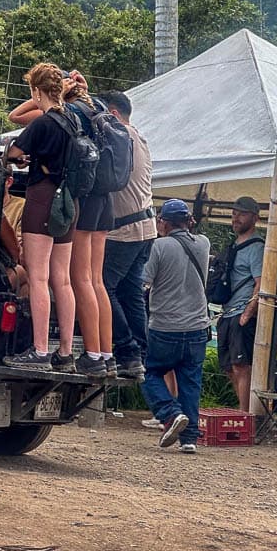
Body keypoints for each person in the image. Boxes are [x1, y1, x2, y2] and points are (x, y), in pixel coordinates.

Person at [2, 62, 77, 372]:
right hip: (68, 203)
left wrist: (22, 159)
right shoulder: (72, 120)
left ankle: (40, 350)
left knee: (38, 276)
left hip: (43, 198)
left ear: (35, 91)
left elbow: (12, 153)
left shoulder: (43, 123)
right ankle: (65, 352)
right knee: (63, 279)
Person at [140, 199, 210, 454]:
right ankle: (189, 438)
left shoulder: (159, 246)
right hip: (197, 327)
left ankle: (169, 414)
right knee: (190, 382)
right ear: (188, 221)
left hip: (165, 326)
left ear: (165, 223)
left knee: (147, 372)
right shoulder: (203, 243)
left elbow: (144, 282)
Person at [101, 90, 155, 381]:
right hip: (146, 226)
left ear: (113, 114)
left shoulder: (119, 134)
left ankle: (126, 348)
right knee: (131, 291)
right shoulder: (139, 137)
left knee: (101, 286)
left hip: (125, 228)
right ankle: (140, 353)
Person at [63, 73, 113, 378]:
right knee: (96, 280)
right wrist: (81, 88)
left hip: (85, 197)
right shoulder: (99, 109)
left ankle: (92, 354)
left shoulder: (70, 113)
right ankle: (106, 353)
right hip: (105, 200)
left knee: (80, 279)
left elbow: (18, 115)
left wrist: (61, 90)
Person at [216, 197, 264, 412]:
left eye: (242, 214)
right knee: (229, 366)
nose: (236, 217)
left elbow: (261, 283)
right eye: (234, 213)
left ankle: (246, 415)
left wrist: (249, 311)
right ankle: (242, 410)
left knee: (241, 365)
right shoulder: (234, 245)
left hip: (241, 313)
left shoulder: (256, 248)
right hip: (228, 312)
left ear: (255, 217)